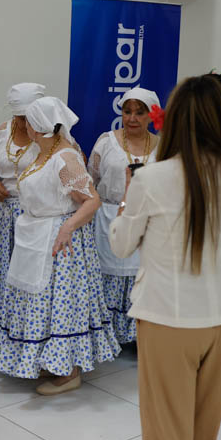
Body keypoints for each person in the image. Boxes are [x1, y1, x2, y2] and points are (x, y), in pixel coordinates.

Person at [109, 75, 221, 440]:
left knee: (166, 435)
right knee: (201, 430)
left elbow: (121, 245)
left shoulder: (151, 178)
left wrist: (127, 199)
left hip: (167, 317)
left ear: (172, 119)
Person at [0, 96, 120, 395]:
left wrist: (68, 227)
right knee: (38, 303)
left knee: (59, 304)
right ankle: (48, 359)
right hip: (35, 233)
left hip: (57, 240)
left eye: (27, 120)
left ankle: (69, 371)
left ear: (37, 126)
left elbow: (91, 200)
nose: (21, 124)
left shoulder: (64, 157)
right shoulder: (42, 152)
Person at [88, 87, 160, 343]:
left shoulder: (162, 146)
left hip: (148, 222)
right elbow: (92, 180)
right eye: (127, 112)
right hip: (109, 216)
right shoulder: (106, 141)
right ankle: (107, 333)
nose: (132, 118)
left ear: (151, 115)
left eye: (139, 113)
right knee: (110, 274)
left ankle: (138, 334)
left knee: (141, 276)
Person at [0, 83, 42, 343]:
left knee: (28, 272)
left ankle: (26, 326)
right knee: (3, 268)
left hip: (35, 215)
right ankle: (0, 326)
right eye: (19, 116)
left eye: (28, 116)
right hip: (6, 214)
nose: (23, 121)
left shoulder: (51, 132)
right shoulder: (3, 131)